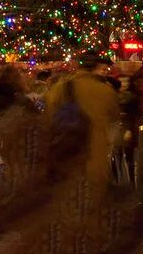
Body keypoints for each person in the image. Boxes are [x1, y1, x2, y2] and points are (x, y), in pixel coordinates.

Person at [45, 52, 119, 189]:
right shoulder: (106, 91)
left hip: (67, 157)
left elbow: (48, 117)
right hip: (96, 157)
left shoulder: (61, 88)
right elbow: (114, 119)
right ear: (96, 68)